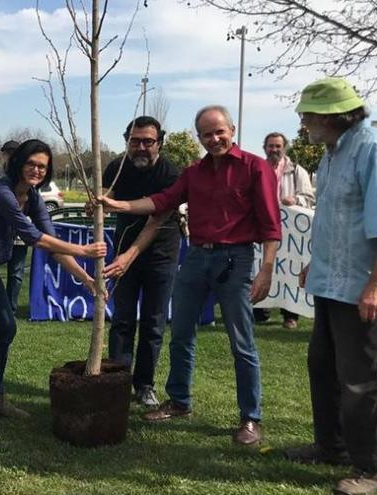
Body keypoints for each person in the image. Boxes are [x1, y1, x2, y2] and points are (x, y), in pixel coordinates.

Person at [99, 105, 280, 446]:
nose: (214, 139)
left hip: (234, 259)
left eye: (219, 132)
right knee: (180, 333)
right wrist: (119, 206)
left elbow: (271, 225)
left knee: (241, 343)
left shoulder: (256, 168)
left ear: (232, 129)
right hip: (196, 257)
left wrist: (266, 270)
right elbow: (163, 202)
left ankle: (250, 417)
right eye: (207, 134)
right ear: (198, 137)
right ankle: (179, 401)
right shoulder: (194, 172)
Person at [283, 78, 377, 495]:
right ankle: (331, 446)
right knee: (323, 368)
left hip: (362, 290)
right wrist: (314, 263)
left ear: (334, 114)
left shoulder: (375, 149)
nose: (303, 122)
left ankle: (369, 468)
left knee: (360, 381)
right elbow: (333, 220)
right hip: (330, 284)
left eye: (308, 114)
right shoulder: (332, 155)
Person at [0, 139, 107, 439]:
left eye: (42, 166)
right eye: (31, 164)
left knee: (5, 327)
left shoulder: (34, 197)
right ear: (18, 164)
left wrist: (86, 279)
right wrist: (83, 250)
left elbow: (51, 244)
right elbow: (34, 237)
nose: (37, 170)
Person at [97, 116, 180, 408]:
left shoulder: (170, 173)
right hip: (123, 247)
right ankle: (117, 383)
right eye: (135, 141)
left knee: (153, 322)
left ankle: (144, 384)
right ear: (126, 141)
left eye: (148, 141)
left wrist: (128, 258)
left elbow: (155, 220)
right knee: (122, 319)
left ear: (160, 142)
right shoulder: (116, 167)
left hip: (160, 253)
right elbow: (104, 196)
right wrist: (97, 204)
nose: (141, 147)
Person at [253, 132, 315, 329]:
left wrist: (295, 200)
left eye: (278, 146)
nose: (274, 150)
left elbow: (310, 199)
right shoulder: (258, 169)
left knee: (290, 269)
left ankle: (290, 314)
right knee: (261, 265)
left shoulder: (298, 172)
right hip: (265, 228)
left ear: (284, 148)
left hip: (291, 234)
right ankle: (260, 310)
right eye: (270, 146)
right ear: (265, 148)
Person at [0, 140, 27, 312]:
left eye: (14, 153)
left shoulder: (27, 178)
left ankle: (10, 308)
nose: (11, 157)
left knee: (16, 273)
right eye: (8, 153)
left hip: (19, 235)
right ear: (3, 155)